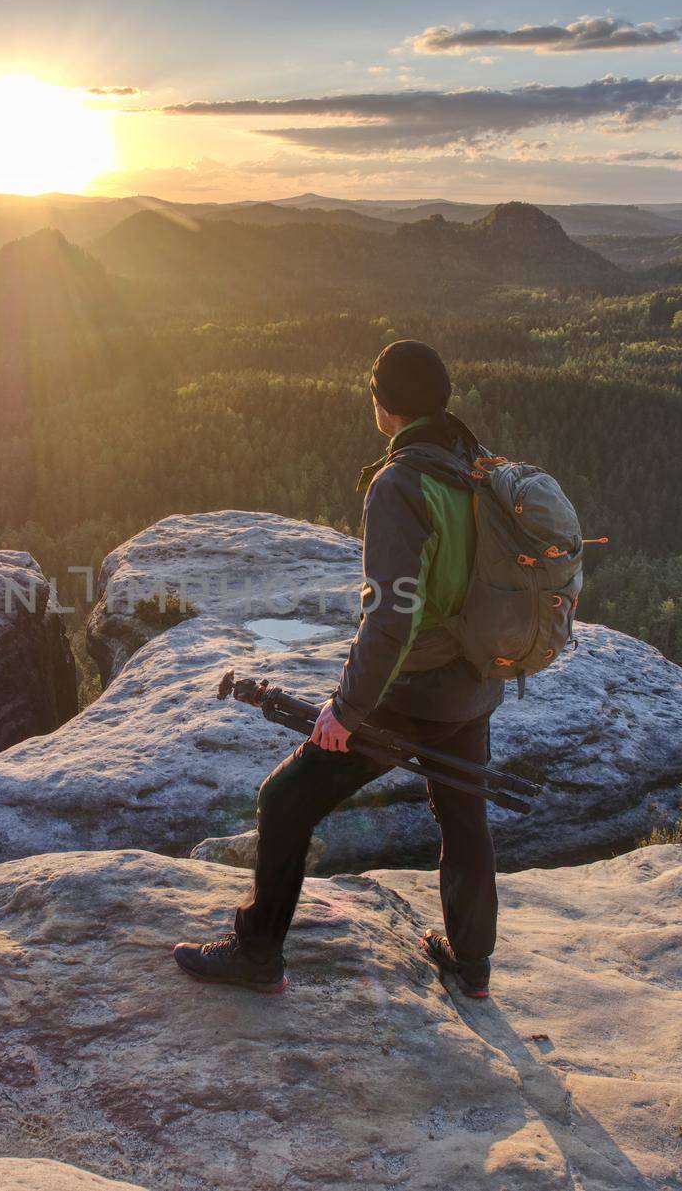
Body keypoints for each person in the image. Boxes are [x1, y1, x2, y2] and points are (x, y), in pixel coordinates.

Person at [174, 339, 503, 998]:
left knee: (284, 799)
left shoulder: (400, 483)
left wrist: (346, 712)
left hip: (411, 693)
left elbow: (392, 618)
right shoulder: (472, 466)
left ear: (384, 404)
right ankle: (471, 965)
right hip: (472, 685)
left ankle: (258, 953)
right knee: (463, 817)